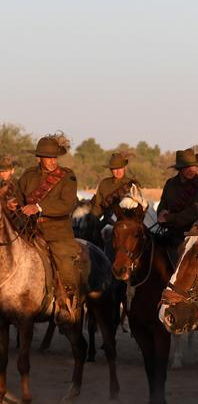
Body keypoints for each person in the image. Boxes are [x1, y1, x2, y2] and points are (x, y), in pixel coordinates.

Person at [9, 134, 82, 322]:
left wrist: (39, 207)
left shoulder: (67, 176)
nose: (52, 161)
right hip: (27, 230)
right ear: (39, 158)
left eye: (54, 157)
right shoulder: (28, 176)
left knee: (66, 264)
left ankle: (67, 303)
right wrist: (13, 203)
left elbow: (67, 204)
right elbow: (18, 197)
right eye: (48, 157)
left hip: (57, 232)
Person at [158, 147, 198, 244]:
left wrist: (169, 218)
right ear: (180, 168)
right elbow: (163, 203)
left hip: (195, 235)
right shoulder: (170, 184)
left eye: (194, 166)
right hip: (172, 233)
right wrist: (161, 213)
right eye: (187, 167)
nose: (192, 170)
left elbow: (196, 211)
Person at [90, 151, 137, 222]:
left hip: (128, 224)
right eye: (115, 169)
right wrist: (92, 220)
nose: (118, 171)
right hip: (107, 223)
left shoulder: (132, 184)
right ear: (111, 170)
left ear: (124, 167)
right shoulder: (104, 183)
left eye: (120, 168)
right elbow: (97, 206)